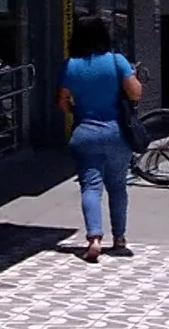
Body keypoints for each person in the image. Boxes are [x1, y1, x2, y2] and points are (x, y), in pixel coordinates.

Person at [57, 15, 144, 262]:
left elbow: (61, 102)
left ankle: (94, 238)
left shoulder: (70, 66)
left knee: (90, 186)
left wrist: (78, 111)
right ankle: (119, 239)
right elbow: (136, 93)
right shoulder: (117, 62)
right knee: (117, 187)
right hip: (117, 132)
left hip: (85, 133)